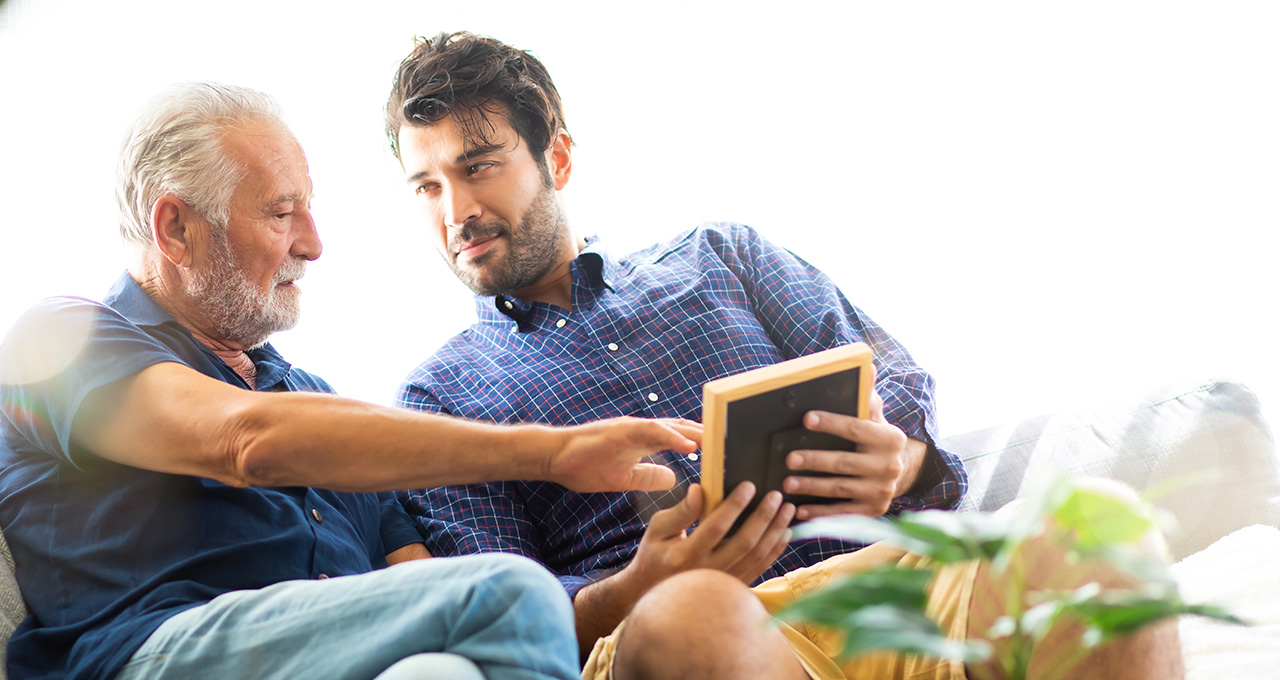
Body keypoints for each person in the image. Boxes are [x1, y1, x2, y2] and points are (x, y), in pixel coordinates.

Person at [384, 32, 1185, 680]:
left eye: (477, 166)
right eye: (426, 186)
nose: (457, 210)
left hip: (893, 585)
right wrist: (642, 584)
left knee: (1103, 529)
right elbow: (504, 613)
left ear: (555, 159)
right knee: (695, 611)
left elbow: (895, 384)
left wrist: (900, 463)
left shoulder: (720, 255)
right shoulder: (439, 397)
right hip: (686, 631)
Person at [0, 82, 702, 680]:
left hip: (343, 656)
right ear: (176, 229)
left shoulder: (320, 405)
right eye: (282, 213)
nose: (313, 243)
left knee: (444, 669)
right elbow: (246, 440)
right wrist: (550, 454)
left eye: (308, 208)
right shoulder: (60, 341)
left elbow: (411, 577)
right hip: (156, 649)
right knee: (516, 594)